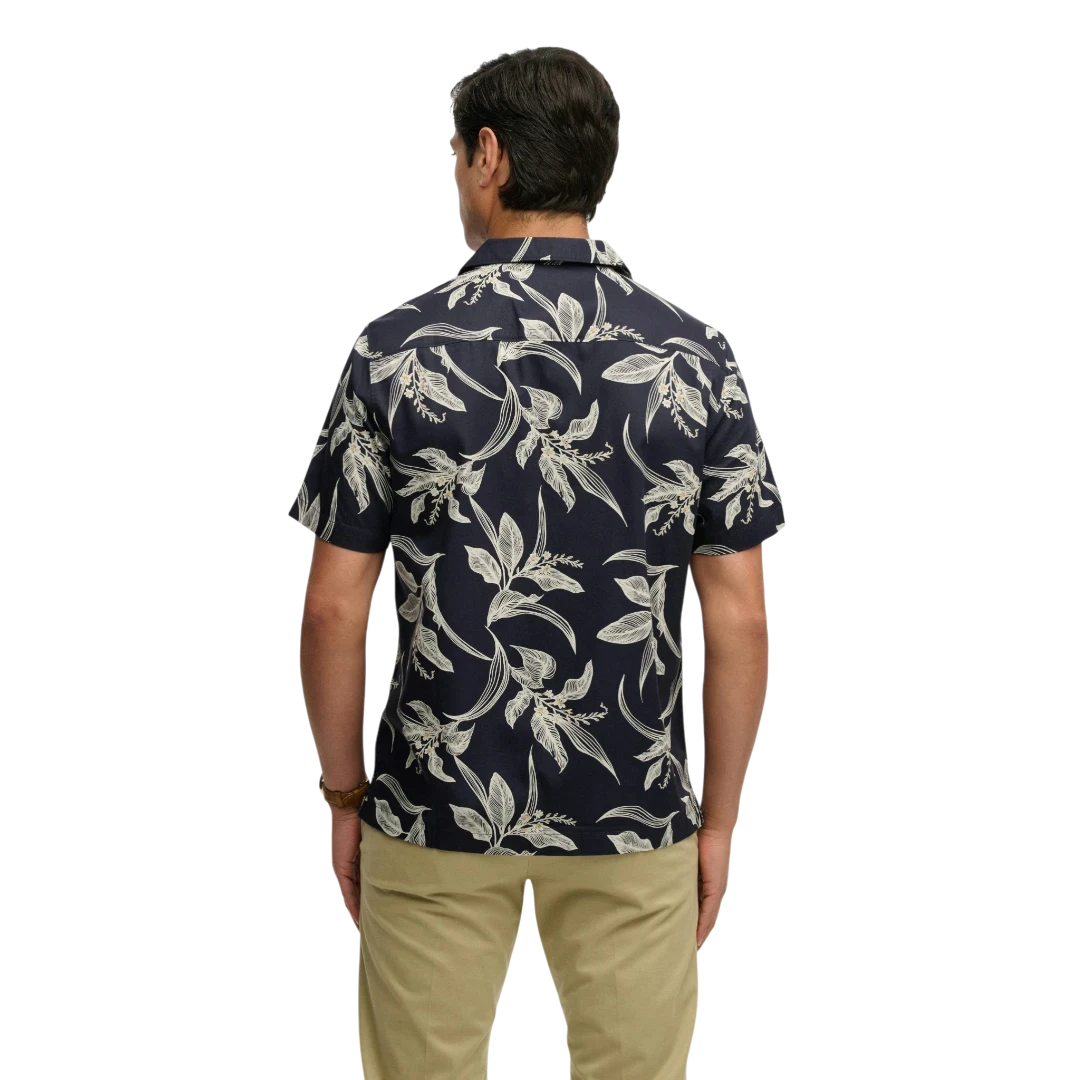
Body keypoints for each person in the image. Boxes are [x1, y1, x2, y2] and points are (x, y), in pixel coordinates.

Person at [288, 43, 786, 1080]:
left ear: (488, 155)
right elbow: (738, 617)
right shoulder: (695, 359)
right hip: (633, 808)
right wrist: (719, 818)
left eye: (455, 160)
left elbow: (334, 609)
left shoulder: (395, 353)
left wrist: (344, 798)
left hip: (435, 802)